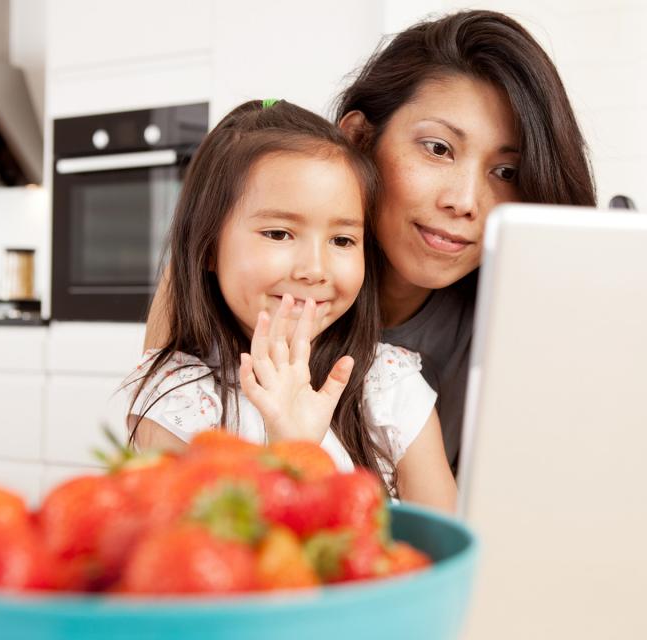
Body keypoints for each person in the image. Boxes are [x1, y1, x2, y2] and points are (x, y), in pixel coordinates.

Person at [144, 10, 597, 474]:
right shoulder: (223, 284)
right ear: (359, 137)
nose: (465, 202)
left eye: (506, 172)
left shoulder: (521, 319)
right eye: (438, 148)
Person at [126, 99, 457, 513]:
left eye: (342, 240)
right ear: (208, 247)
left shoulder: (388, 386)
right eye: (279, 234)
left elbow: (446, 549)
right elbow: (191, 561)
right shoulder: (178, 401)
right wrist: (292, 451)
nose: (314, 270)